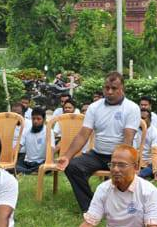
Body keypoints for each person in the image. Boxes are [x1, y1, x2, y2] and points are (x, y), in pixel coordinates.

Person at [57, 72, 139, 212]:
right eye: (106, 88)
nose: (109, 91)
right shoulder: (95, 107)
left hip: (121, 156)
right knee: (73, 167)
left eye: (114, 88)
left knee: (124, 171)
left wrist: (118, 163)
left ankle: (119, 207)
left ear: (122, 89)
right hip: (97, 154)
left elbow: (128, 140)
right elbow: (83, 135)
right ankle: (91, 208)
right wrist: (67, 156)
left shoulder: (131, 108)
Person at [138, 105, 157, 180]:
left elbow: (156, 153)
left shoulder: (156, 133)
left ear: (150, 119)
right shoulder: (134, 130)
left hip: (151, 162)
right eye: (139, 118)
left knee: (142, 173)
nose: (140, 120)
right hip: (137, 162)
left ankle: (139, 175)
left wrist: (156, 171)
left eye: (143, 118)